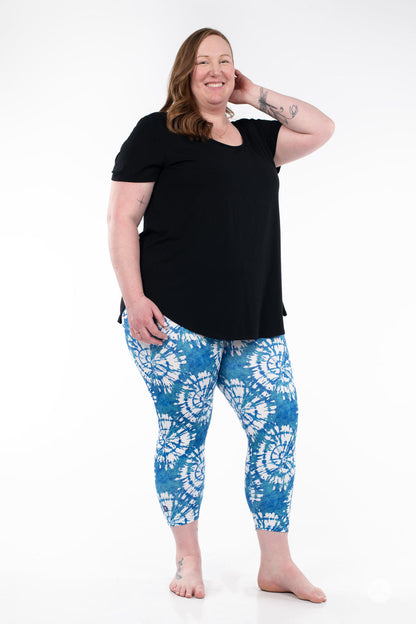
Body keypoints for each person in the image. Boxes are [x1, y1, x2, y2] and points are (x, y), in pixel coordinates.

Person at [107, 27, 334, 602]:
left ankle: (276, 564)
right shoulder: (156, 132)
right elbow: (121, 219)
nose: (215, 70)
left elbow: (321, 127)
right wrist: (134, 298)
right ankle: (188, 560)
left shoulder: (258, 139)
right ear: (185, 72)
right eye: (204, 61)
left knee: (278, 425)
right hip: (172, 318)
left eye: (225, 61)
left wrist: (253, 94)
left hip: (252, 318)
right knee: (184, 435)